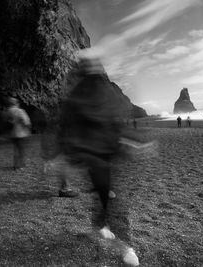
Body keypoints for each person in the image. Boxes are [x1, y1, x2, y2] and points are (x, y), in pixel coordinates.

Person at [58, 53, 139, 266]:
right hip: (97, 152)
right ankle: (124, 244)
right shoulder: (83, 93)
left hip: (102, 151)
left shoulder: (94, 91)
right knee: (109, 194)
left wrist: (129, 140)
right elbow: (67, 124)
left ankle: (104, 226)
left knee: (105, 193)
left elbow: (115, 118)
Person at [2, 97, 31, 170]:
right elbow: (26, 121)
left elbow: (4, 122)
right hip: (21, 133)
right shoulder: (20, 111)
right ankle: (20, 165)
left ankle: (16, 164)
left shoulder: (6, 112)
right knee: (21, 149)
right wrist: (28, 128)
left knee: (16, 149)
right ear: (16, 103)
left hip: (11, 133)